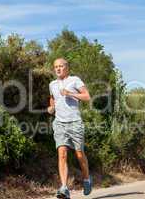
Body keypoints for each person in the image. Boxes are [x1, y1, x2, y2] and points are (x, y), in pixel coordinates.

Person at [47, 58, 92, 198]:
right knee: (62, 154)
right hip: (59, 123)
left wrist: (70, 94)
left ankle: (86, 179)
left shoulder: (75, 80)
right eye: (56, 67)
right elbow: (52, 98)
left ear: (67, 68)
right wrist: (52, 107)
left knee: (79, 154)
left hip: (74, 122)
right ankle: (64, 188)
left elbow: (87, 96)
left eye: (61, 66)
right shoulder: (52, 84)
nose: (58, 69)